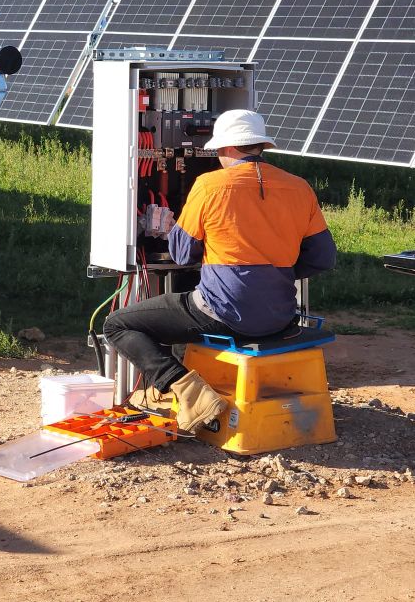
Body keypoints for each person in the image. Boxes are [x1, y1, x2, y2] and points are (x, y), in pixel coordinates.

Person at [103, 109, 337, 432]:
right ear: (260, 146)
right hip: (280, 317)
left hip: (221, 314)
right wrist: (275, 270)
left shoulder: (208, 186)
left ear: (226, 149)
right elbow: (323, 257)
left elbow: (181, 253)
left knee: (117, 325)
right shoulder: (300, 188)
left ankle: (189, 391)